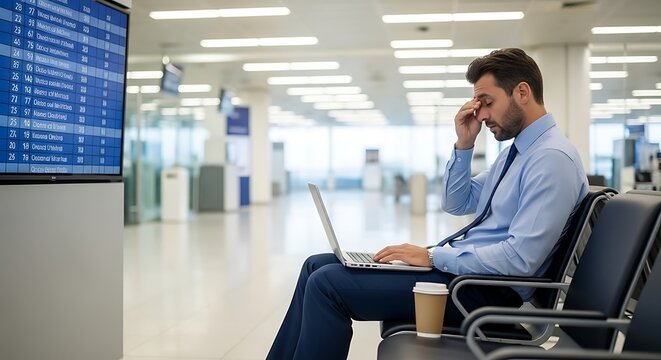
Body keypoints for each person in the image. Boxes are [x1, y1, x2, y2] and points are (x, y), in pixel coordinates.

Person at [266, 48, 589, 360]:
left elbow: (520, 260)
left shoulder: (550, 159)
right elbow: (458, 202)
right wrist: (464, 144)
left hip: (483, 291)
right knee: (316, 265)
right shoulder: (516, 154)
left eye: (488, 102)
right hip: (469, 277)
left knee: (328, 284)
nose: (483, 114)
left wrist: (433, 256)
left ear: (522, 92)